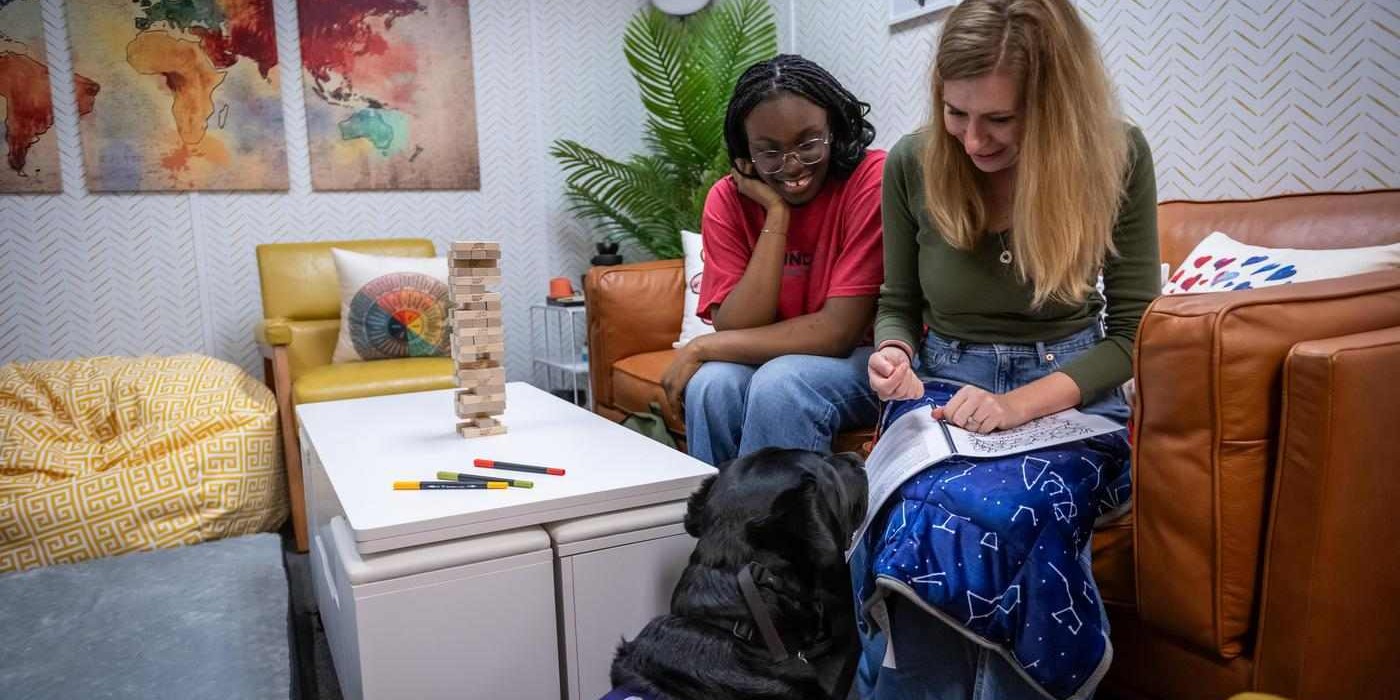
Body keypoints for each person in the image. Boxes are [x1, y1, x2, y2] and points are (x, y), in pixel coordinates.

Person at [858, 0, 1160, 697]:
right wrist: (894, 354)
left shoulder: (1116, 156)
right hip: (945, 389)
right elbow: (898, 304)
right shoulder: (912, 161)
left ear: (1056, 107)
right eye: (956, 113)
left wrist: (1018, 405)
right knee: (920, 515)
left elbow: (1134, 333)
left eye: (1000, 119)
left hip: (1070, 393)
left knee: (1014, 514)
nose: (972, 139)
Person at [661, 54, 886, 466]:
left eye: (808, 143)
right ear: (746, 153)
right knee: (713, 385)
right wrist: (776, 217)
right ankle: (719, 527)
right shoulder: (728, 199)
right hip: (779, 355)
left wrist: (701, 347)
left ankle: (781, 532)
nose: (793, 166)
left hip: (869, 358)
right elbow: (738, 323)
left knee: (783, 383)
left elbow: (839, 332)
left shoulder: (871, 179)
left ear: (832, 129)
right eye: (769, 152)